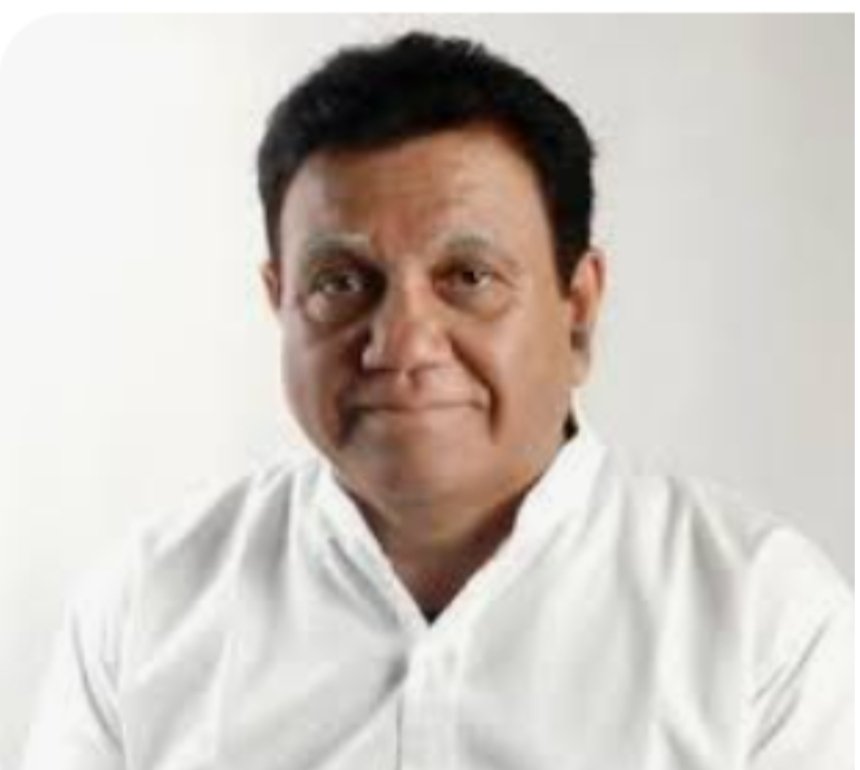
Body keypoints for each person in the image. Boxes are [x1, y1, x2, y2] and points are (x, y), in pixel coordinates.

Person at [21, 31, 851, 770]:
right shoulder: (146, 607)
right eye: (340, 282)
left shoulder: (764, 618)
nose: (402, 343)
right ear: (280, 302)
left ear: (577, 307)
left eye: (469, 277)